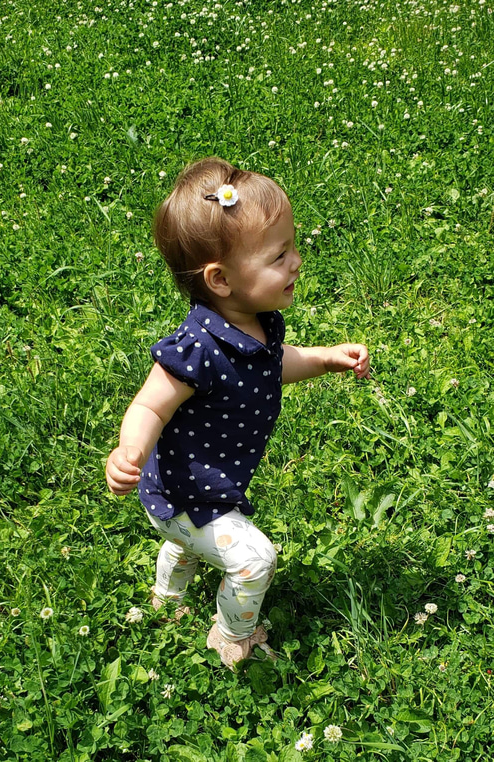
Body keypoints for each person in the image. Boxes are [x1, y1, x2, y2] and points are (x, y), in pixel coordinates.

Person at [106, 157, 370, 669]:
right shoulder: (196, 348)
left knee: (187, 545)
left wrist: (324, 358)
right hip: (182, 495)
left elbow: (270, 368)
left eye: (293, 246)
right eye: (278, 255)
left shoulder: (258, 325)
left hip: (209, 488)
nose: (295, 261)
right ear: (220, 280)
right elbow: (149, 403)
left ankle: (167, 596)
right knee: (254, 560)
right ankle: (231, 638)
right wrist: (130, 449)